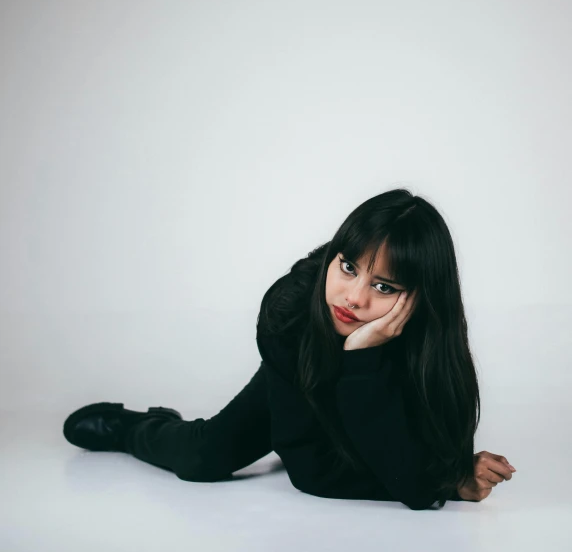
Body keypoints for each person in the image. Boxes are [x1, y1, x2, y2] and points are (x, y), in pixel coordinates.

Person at [63, 188, 516, 510]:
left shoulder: (430, 350)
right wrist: (443, 481)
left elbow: (416, 487)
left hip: (363, 403)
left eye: (383, 285)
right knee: (203, 458)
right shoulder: (292, 311)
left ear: (419, 298)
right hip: (306, 374)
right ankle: (134, 426)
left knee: (366, 450)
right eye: (347, 267)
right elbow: (312, 473)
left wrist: (366, 360)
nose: (353, 298)